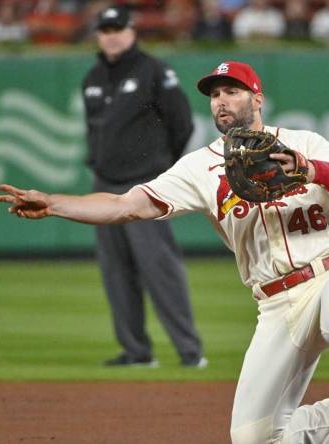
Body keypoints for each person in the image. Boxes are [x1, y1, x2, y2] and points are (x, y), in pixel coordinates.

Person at [0, 60, 329, 444]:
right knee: (253, 438)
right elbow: (125, 205)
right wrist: (54, 203)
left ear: (257, 97)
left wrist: (310, 169)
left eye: (232, 90)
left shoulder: (302, 142)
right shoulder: (200, 167)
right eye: (215, 94)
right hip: (274, 304)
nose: (221, 101)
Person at [79, 5, 205, 368]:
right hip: (105, 184)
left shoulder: (154, 70)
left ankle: (190, 352)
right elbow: (94, 129)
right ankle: (136, 352)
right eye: (105, 29)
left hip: (144, 184)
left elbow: (181, 124)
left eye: (118, 27)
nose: (112, 34)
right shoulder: (92, 77)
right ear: (98, 34)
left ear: (132, 31)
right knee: (115, 271)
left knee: (159, 267)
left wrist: (161, 171)